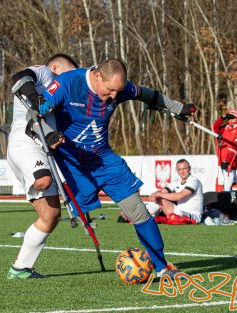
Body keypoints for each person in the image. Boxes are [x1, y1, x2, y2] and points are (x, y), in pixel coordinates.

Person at [38, 58, 196, 278]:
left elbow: (147, 94)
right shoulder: (67, 83)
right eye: (110, 90)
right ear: (98, 76)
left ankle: (162, 267)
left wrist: (178, 108)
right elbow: (36, 109)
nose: (114, 96)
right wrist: (47, 132)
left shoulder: (120, 89)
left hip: (105, 161)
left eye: (118, 91)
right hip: (72, 164)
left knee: (138, 212)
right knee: (50, 216)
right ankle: (23, 265)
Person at [6, 53, 78, 279]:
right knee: (45, 180)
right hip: (25, 143)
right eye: (67, 75)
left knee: (51, 215)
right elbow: (21, 77)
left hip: (38, 149)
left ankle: (20, 269)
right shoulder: (45, 74)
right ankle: (39, 178)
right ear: (56, 68)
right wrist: (37, 102)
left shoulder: (60, 96)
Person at [147, 159, 203, 224]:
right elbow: (162, 191)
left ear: (189, 168)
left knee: (177, 214)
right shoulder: (177, 182)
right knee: (159, 199)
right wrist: (154, 195)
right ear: (177, 170)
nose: (182, 172)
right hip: (178, 212)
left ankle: (147, 217)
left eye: (184, 168)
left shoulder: (194, 181)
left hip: (193, 216)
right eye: (179, 169)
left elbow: (179, 196)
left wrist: (159, 194)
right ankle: (143, 215)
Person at [212, 103, 237, 192]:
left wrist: (227, 160)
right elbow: (215, 129)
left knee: (228, 185)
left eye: (232, 118)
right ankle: (226, 202)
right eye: (229, 118)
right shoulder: (225, 128)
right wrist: (222, 118)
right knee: (223, 184)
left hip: (230, 161)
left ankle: (229, 202)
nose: (230, 120)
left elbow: (236, 145)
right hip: (221, 158)